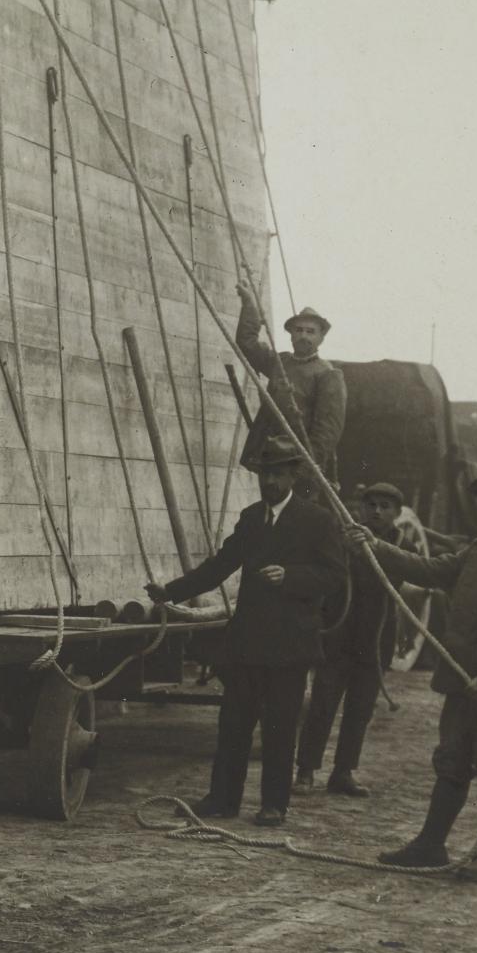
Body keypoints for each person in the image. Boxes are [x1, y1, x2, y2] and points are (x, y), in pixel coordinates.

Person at [357, 464, 477, 880]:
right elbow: (430, 571)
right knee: (451, 762)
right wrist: (374, 546)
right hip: (464, 681)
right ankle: (430, 845)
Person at [148, 446, 346, 826]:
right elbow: (220, 565)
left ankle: (274, 804)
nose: (269, 481)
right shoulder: (251, 518)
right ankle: (223, 799)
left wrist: (292, 577)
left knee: (280, 727)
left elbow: (335, 576)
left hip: (291, 645)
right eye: (264, 474)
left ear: (293, 477)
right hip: (248, 642)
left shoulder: (317, 520)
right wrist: (169, 591)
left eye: (278, 474)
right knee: (233, 724)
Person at [296, 481, 405, 797]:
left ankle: (343, 772)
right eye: (371, 505)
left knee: (360, 708)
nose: (377, 511)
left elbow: (403, 577)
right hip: (340, 635)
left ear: (397, 513)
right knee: (323, 703)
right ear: (359, 508)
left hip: (375, 639)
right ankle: (306, 770)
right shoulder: (341, 541)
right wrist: (345, 548)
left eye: (386, 506)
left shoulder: (401, 545)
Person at [232, 278, 346, 494]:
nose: (303, 336)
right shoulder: (280, 363)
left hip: (299, 467)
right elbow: (247, 344)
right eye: (299, 330)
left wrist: (302, 471)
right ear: (291, 334)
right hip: (272, 460)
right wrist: (249, 306)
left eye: (311, 332)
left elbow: (326, 433)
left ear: (321, 338)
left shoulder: (328, 375)